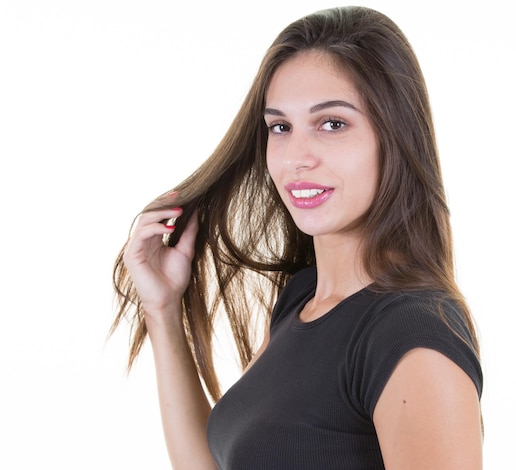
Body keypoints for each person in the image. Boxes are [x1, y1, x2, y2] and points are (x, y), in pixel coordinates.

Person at [111, 6, 483, 469]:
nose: (295, 157)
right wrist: (163, 309)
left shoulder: (411, 333)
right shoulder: (303, 299)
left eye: (332, 123)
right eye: (280, 127)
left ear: (395, 135)